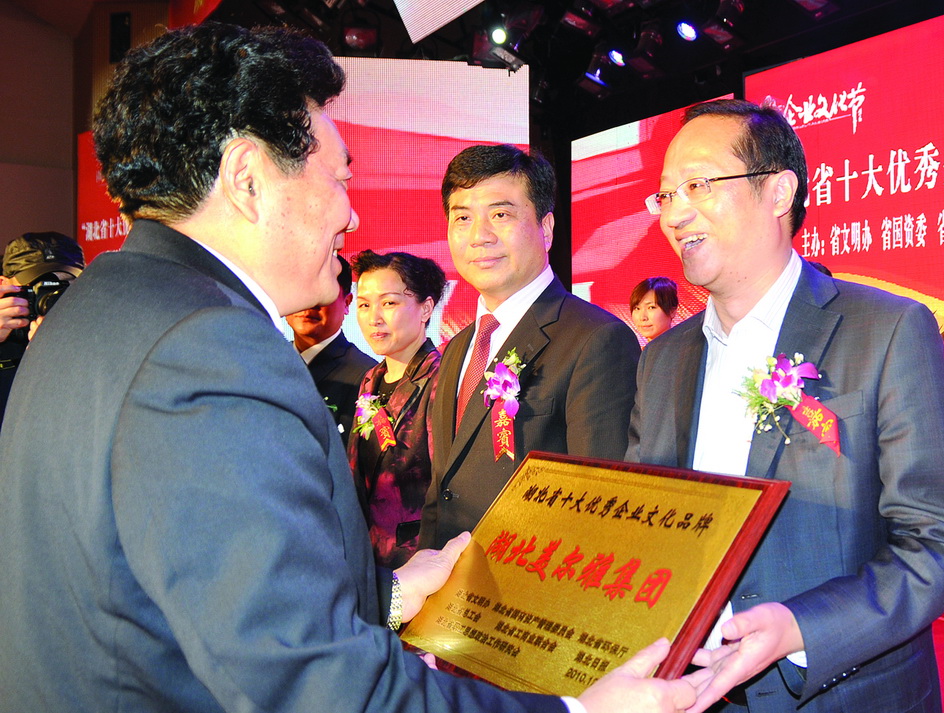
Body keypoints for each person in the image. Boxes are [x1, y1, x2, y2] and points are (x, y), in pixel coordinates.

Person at [0, 23, 705, 713]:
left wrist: (391, 595)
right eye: (340, 178)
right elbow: (316, 683)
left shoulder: (99, 305)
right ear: (247, 179)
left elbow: (218, 594)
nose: (352, 217)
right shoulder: (209, 348)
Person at [627, 98, 944, 712]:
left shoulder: (886, 331)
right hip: (687, 692)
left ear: (778, 191)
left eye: (699, 185)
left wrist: (799, 630)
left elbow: (940, 541)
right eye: (665, 194)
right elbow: (643, 525)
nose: (675, 213)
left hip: (838, 693)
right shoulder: (662, 361)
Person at [420, 144, 641, 548]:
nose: (479, 236)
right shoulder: (457, 349)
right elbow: (443, 489)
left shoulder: (596, 339)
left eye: (500, 215)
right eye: (463, 217)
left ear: (547, 228)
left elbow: (601, 508)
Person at [348, 249, 446, 567]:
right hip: (367, 559)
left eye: (389, 303)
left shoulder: (443, 378)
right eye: (364, 305)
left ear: (426, 308)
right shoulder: (370, 380)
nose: (374, 318)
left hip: (420, 559)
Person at [286, 254, 377, 446]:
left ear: (347, 302)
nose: (309, 303)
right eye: (299, 290)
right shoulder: (265, 362)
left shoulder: (368, 376)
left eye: (322, 292)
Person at [0, 231, 84, 427]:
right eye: (38, 285)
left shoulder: (97, 336)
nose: (51, 296)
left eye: (64, 284)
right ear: (4, 285)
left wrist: (70, 353)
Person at [629, 276, 678, 343]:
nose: (643, 318)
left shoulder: (684, 347)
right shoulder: (636, 349)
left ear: (672, 311)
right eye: (637, 308)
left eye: (651, 307)